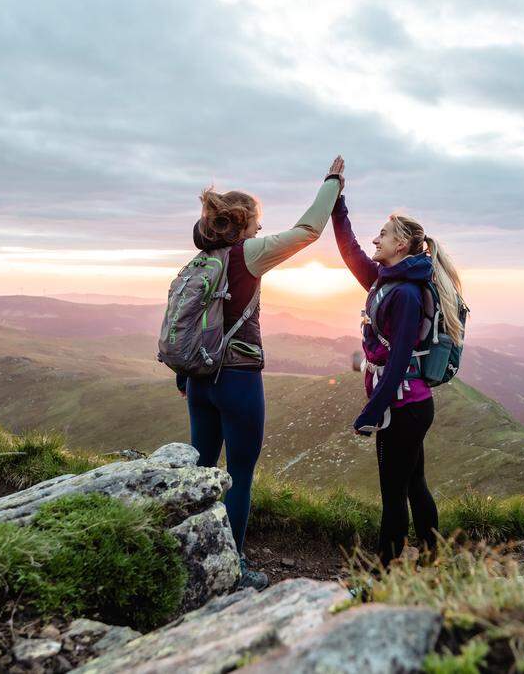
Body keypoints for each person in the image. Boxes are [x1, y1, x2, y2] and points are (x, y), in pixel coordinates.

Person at [177, 156, 345, 590]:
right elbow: (307, 232)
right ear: (244, 222)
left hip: (199, 380)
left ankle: (189, 553)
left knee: (202, 470)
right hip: (237, 381)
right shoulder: (245, 254)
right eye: (257, 221)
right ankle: (233, 567)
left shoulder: (203, 260)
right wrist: (332, 183)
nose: (259, 229)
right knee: (239, 476)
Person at [331, 183, 465, 566]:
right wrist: (337, 202)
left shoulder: (404, 294)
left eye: (384, 235)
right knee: (413, 484)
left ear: (402, 244)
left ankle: (381, 575)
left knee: (394, 494)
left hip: (403, 409)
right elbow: (349, 251)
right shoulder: (383, 280)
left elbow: (400, 359)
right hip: (409, 405)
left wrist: (372, 412)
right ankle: (432, 558)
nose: (376, 239)